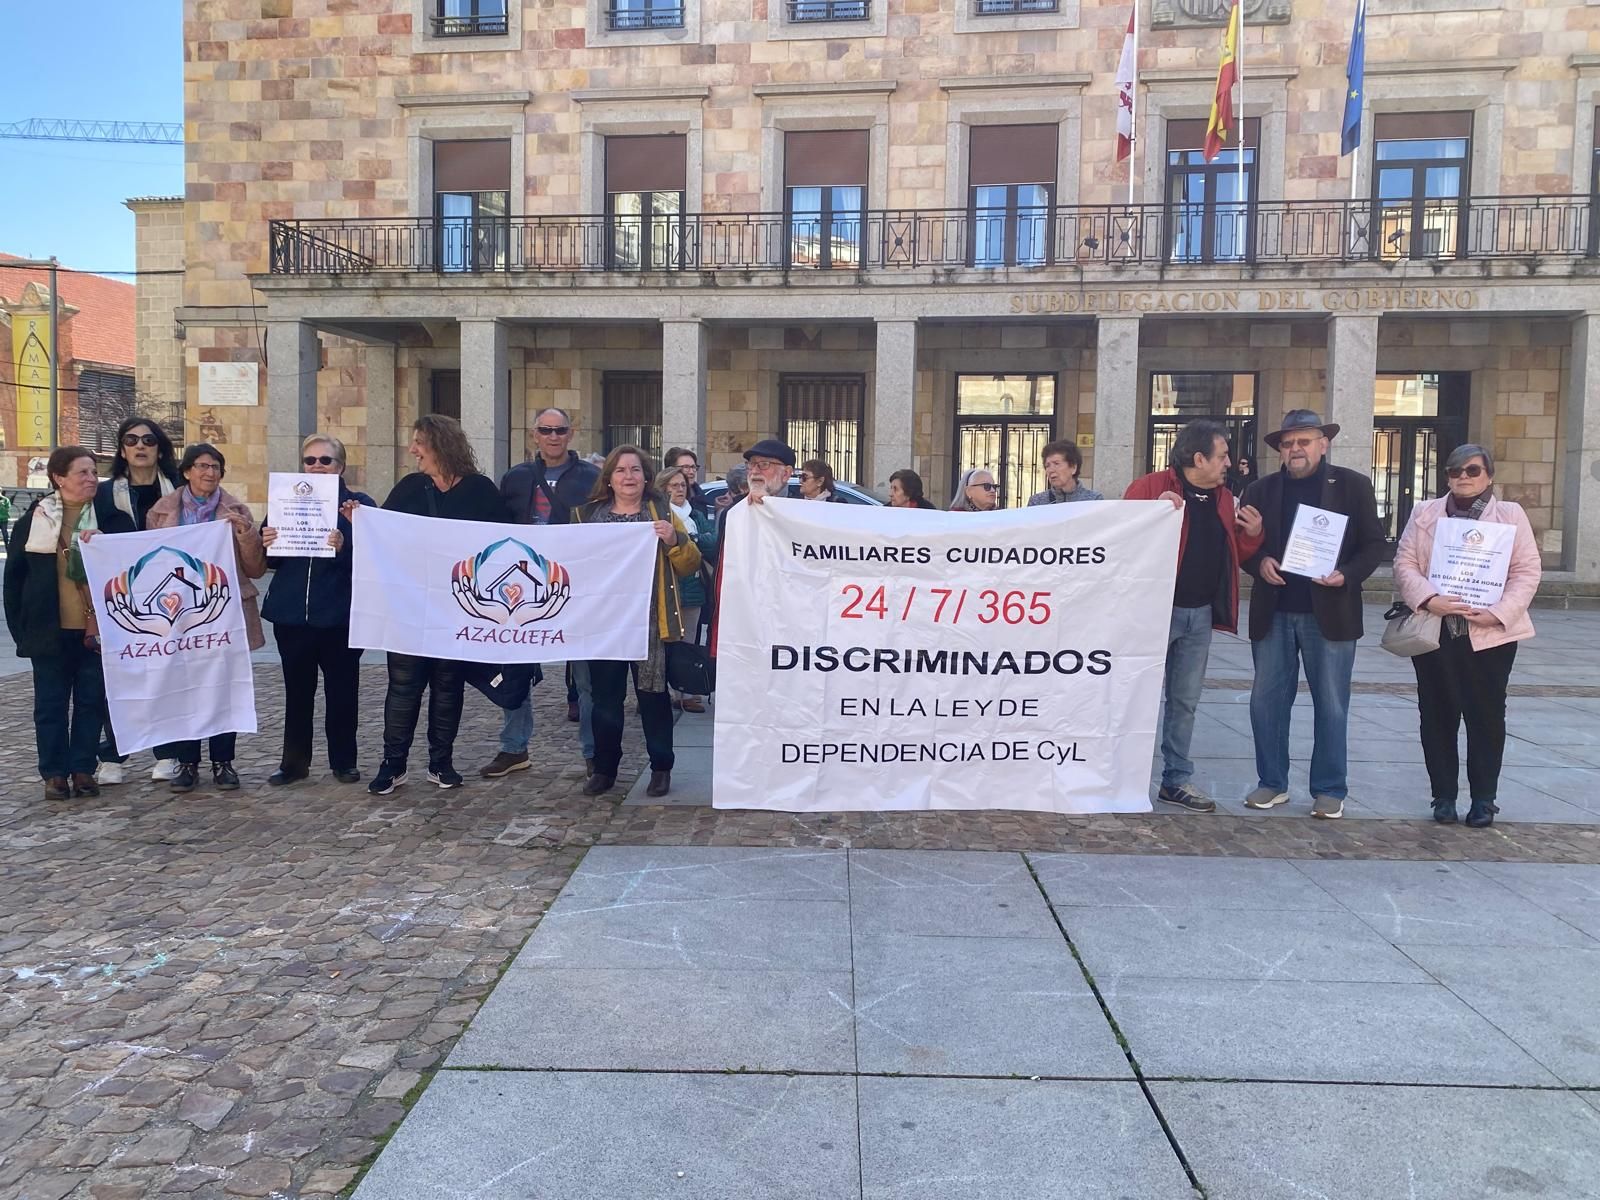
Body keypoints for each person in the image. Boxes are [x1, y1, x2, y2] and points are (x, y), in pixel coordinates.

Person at [1239, 409, 1386, 819]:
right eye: (1288, 443)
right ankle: (1272, 782)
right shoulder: (1259, 491)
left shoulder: (1353, 486)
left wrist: (1347, 575)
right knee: (1266, 703)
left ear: (1323, 444)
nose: (1295, 449)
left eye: (1304, 441)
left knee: (1332, 704)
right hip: (1275, 612)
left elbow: (1374, 544)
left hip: (1331, 613)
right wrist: (1259, 562)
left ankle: (1329, 788)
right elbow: (1243, 546)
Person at [1392, 444, 1541, 827]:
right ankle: (1443, 796)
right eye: (1455, 470)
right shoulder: (1425, 512)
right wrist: (1429, 599)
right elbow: (1405, 562)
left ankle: (1483, 799)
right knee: (1436, 714)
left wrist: (1498, 613)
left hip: (1488, 635)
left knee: (1486, 715)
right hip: (1436, 631)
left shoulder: (1510, 514)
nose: (1463, 476)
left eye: (1472, 470)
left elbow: (1526, 570)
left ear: (1489, 475)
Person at [1125, 421, 1264, 813]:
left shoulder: (1224, 497)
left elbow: (1233, 553)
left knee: (1184, 701)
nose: (1229, 464)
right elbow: (1121, 540)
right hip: (1153, 613)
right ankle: (1122, 776)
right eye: (1222, 456)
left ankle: (1175, 780)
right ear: (1198, 458)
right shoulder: (1149, 487)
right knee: (1134, 697)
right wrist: (1151, 513)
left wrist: (1252, 535)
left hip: (1199, 616)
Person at [370, 415, 509, 795]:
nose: (412, 450)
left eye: (419, 442)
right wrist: (360, 521)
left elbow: (502, 541)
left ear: (440, 445)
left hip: (457, 609)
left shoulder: (480, 491)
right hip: (409, 606)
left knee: (448, 686)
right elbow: (382, 531)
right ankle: (392, 765)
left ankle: (441, 763)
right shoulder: (410, 488)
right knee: (403, 686)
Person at [5, 447, 136, 800]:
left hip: (97, 631)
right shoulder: (34, 521)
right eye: (83, 472)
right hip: (48, 631)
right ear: (59, 478)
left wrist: (109, 547)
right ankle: (53, 773)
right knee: (50, 706)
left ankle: (82, 768)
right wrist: (22, 631)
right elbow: (14, 580)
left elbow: (133, 569)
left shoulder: (113, 519)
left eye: (94, 472)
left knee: (91, 702)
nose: (92, 478)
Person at [571, 447, 701, 797]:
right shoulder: (586, 517)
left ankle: (661, 767)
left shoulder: (661, 512)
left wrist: (674, 540)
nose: (628, 476)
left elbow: (690, 564)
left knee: (653, 699)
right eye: (620, 470)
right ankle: (604, 769)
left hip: (649, 626)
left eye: (635, 470)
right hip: (604, 625)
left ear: (646, 477)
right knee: (605, 701)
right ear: (609, 479)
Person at [481, 407, 600, 779]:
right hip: (522, 588)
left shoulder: (591, 478)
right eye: (546, 430)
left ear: (570, 434)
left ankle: (593, 752)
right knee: (515, 670)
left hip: (573, 587)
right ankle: (513, 747)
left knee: (585, 677)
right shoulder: (515, 478)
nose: (553, 436)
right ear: (534, 434)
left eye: (559, 430)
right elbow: (496, 527)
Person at [147, 443, 268, 795]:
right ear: (186, 471)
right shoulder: (161, 511)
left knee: (223, 689)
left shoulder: (236, 510)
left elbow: (255, 569)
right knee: (184, 688)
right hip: (178, 613)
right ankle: (187, 762)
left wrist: (245, 534)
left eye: (215, 467)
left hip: (224, 611)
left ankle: (223, 761)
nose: (209, 473)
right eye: (201, 466)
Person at [260, 434, 374, 787]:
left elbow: (375, 556)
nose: (317, 466)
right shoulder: (284, 500)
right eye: (310, 460)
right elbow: (271, 560)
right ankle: (294, 764)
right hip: (292, 615)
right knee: (297, 694)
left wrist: (345, 544)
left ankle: (344, 761)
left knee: (342, 693)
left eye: (325, 460)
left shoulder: (360, 505)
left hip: (339, 616)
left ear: (340, 466)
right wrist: (267, 542)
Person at [93, 416, 182, 785]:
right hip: (121, 599)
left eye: (148, 440)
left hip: (169, 598)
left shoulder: (178, 491)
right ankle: (113, 753)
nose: (140, 446)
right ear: (122, 449)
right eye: (132, 440)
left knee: (167, 677)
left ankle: (168, 752)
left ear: (160, 449)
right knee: (120, 679)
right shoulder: (102, 495)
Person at [659, 467, 717, 713]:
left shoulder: (696, 514)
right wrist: (690, 541)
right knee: (662, 645)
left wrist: (690, 539)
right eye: (673, 485)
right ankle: (659, 692)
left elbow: (712, 542)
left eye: (682, 485)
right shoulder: (658, 514)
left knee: (688, 642)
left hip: (692, 587)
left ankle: (685, 692)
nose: (679, 489)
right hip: (664, 589)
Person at [1028, 439, 1104, 505]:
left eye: (1056, 464)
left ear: (1073, 467)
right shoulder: (1037, 502)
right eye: (1047, 465)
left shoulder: (1094, 500)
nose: (1051, 470)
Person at [664, 446, 714, 519]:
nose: (691, 472)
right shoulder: (657, 502)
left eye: (693, 467)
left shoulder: (700, 498)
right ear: (671, 470)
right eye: (686, 467)